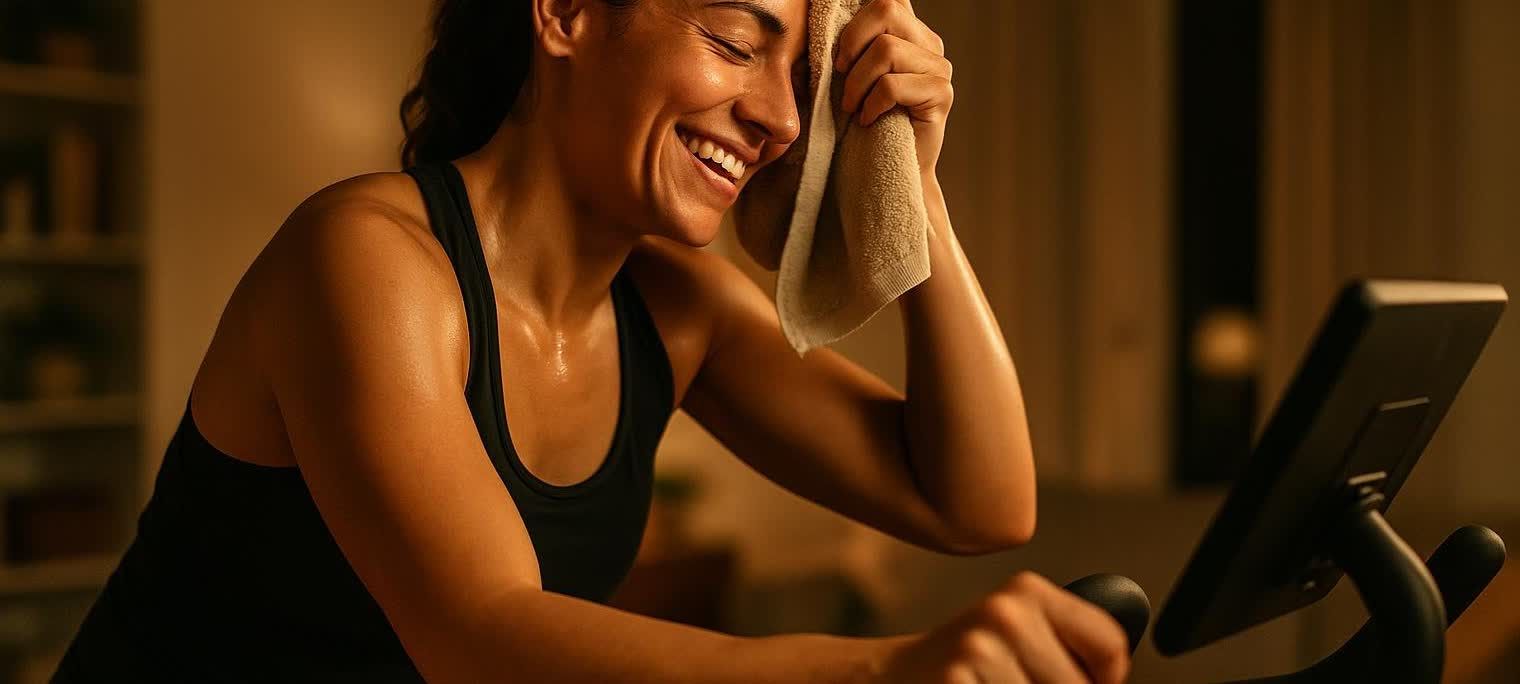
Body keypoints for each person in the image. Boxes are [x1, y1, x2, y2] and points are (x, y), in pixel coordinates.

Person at [54, 0, 1131, 681]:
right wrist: (880, 672)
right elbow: (480, 636)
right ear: (565, 13)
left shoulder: (676, 307)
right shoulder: (366, 259)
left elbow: (979, 504)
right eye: (734, 44)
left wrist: (904, 171)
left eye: (801, 83)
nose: (780, 121)